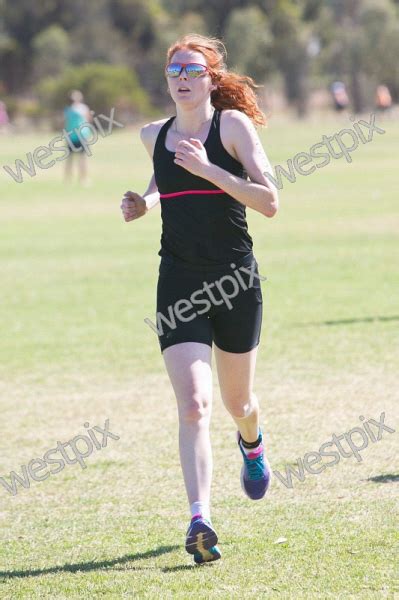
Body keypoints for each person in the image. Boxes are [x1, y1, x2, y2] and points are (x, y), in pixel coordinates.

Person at [120, 34, 279, 565]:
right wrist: (143, 202)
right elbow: (164, 179)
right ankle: (200, 519)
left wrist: (210, 169)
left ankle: (252, 443)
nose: (182, 79)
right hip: (180, 283)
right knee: (193, 405)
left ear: (211, 78)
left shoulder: (232, 127)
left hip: (235, 281)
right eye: (174, 72)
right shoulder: (153, 135)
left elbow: (270, 201)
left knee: (238, 404)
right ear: (167, 81)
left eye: (192, 70)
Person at [63, 90, 92, 185]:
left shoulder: (84, 108)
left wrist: (88, 133)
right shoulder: (68, 109)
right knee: (69, 159)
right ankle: (68, 179)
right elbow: (65, 123)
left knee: (83, 158)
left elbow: (88, 120)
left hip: (82, 136)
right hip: (71, 137)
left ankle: (83, 179)